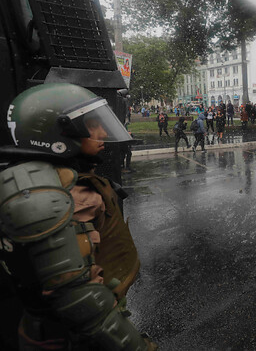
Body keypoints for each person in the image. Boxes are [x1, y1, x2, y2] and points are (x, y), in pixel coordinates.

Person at [0, 83, 155, 349]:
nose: (103, 132)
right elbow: (80, 301)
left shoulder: (35, 181)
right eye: (93, 125)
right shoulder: (59, 198)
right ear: (56, 132)